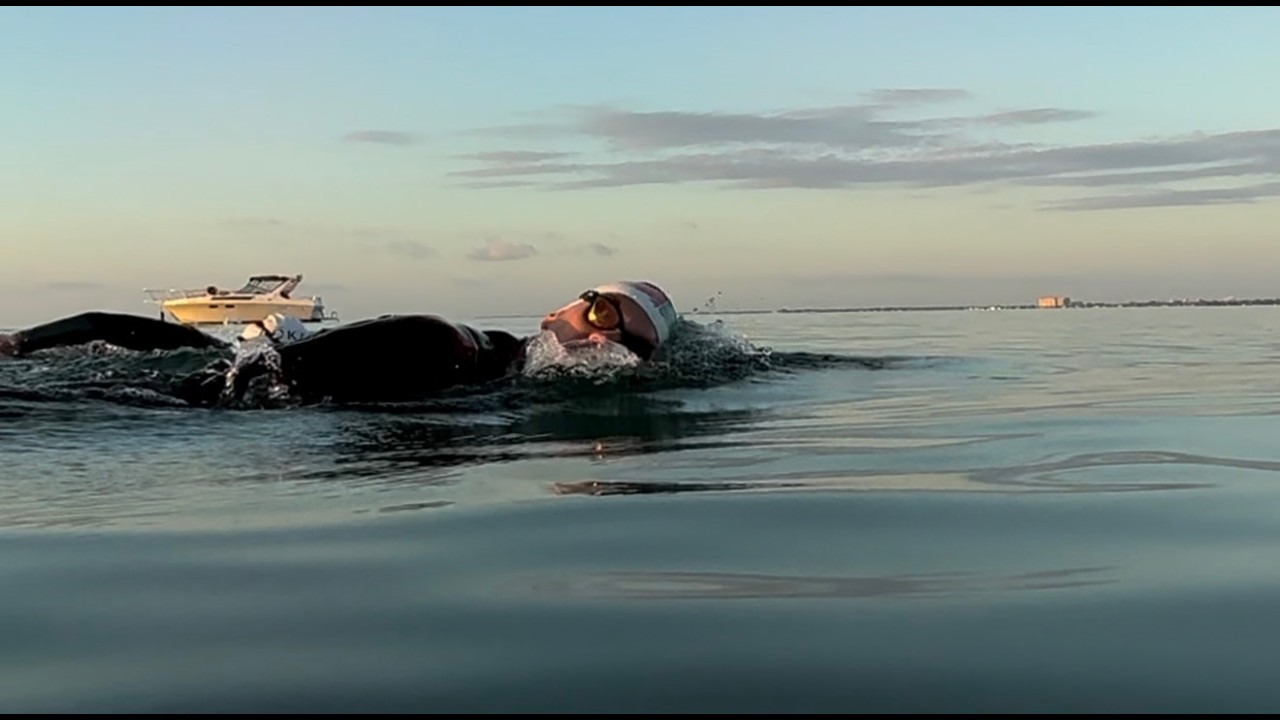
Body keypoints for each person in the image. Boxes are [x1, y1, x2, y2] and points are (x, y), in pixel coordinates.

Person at [1, 280, 679, 404]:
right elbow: (250, 385)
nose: (603, 342)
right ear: (557, 310)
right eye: (601, 313)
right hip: (209, 391)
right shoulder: (443, 344)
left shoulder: (483, 384)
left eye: (630, 345)